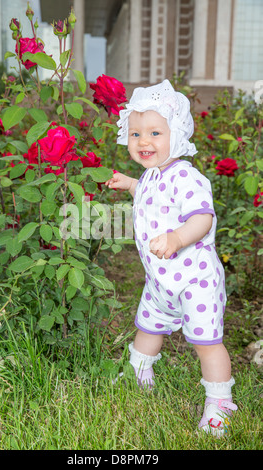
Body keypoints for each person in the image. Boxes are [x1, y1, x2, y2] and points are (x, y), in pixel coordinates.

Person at [105, 79, 237, 437]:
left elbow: (202, 218)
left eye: (154, 133)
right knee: (148, 327)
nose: (143, 142)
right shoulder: (151, 175)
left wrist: (178, 237)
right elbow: (148, 192)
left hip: (195, 279)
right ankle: (139, 372)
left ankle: (219, 401)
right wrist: (129, 183)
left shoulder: (187, 177)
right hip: (160, 279)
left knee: (206, 342)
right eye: (135, 134)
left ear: (176, 135)